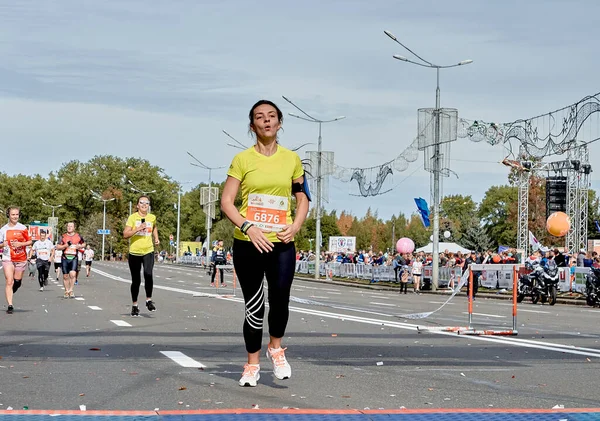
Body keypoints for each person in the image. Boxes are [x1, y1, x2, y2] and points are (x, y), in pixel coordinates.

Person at [221, 99, 310, 387]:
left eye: (272, 116)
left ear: (280, 122)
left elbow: (303, 198)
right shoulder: (242, 159)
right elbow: (226, 202)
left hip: (281, 243)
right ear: (252, 126)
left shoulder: (292, 160)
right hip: (249, 243)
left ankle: (275, 348)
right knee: (254, 306)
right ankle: (251, 365)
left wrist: (295, 225)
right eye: (260, 117)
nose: (267, 121)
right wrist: (248, 227)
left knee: (280, 299)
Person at [123, 195, 160, 317]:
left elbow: (154, 227)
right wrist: (137, 229)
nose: (144, 205)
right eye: (142, 203)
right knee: (136, 280)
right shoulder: (132, 218)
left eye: (147, 203)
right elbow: (125, 234)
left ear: (149, 206)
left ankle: (149, 300)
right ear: (137, 205)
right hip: (135, 252)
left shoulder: (152, 217)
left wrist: (156, 238)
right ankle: (134, 305)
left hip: (148, 250)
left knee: (148, 274)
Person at [0, 207, 32, 314]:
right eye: (13, 214)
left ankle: (15, 286)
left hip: (20, 257)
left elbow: (29, 242)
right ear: (8, 215)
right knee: (9, 281)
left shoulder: (23, 228)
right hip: (7, 257)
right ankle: (10, 305)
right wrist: (3, 245)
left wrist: (20, 244)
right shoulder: (3, 230)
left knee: (17, 282)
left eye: (17, 215)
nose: (15, 217)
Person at [56, 222, 86, 298]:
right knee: (65, 276)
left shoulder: (78, 236)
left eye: (71, 226)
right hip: (65, 258)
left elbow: (84, 243)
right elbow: (58, 247)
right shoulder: (63, 236)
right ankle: (66, 291)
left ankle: (71, 290)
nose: (69, 227)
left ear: (74, 228)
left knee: (73, 274)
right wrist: (66, 245)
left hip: (74, 258)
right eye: (68, 226)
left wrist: (80, 246)